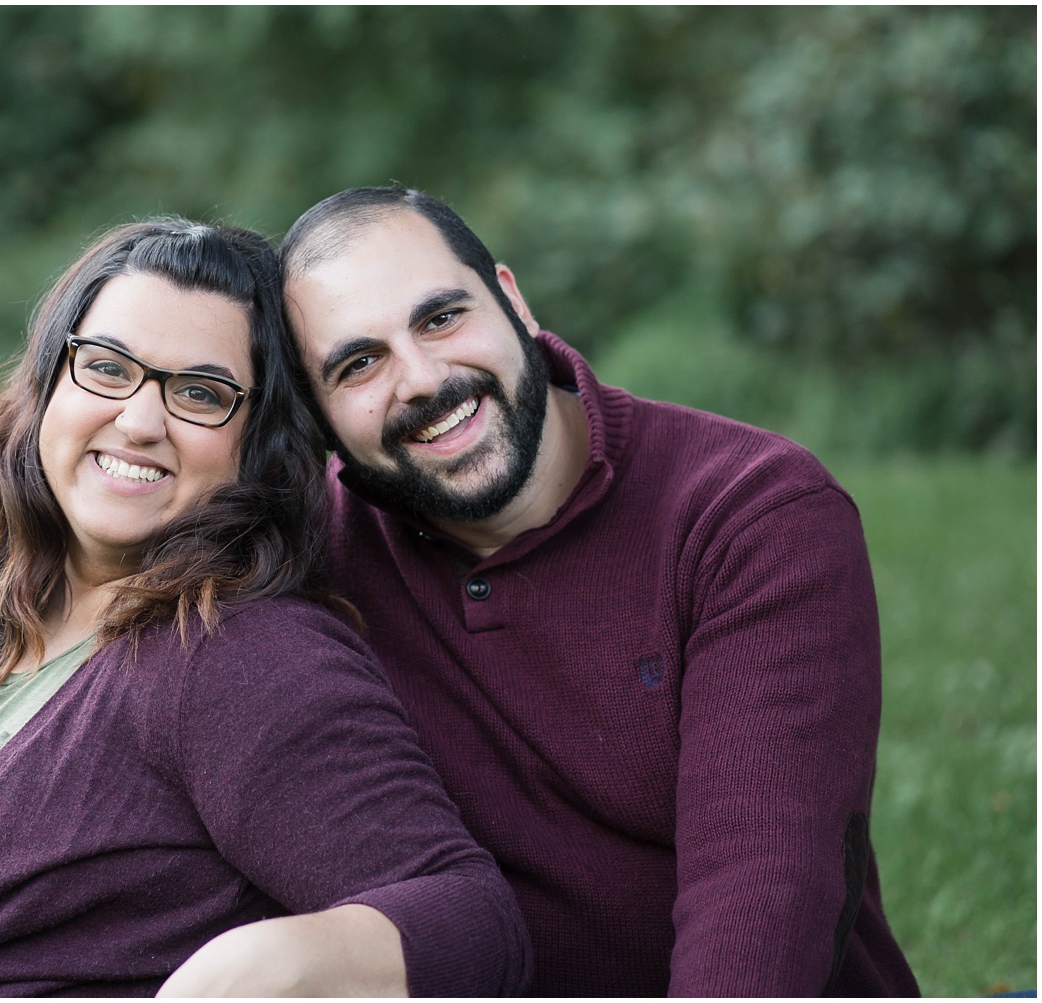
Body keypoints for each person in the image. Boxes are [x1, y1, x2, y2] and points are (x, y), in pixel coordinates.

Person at [0, 219, 532, 998]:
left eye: (200, 394)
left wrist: (265, 963)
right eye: (107, 367)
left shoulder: (242, 657)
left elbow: (471, 922)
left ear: (257, 444)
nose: (138, 420)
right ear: (51, 378)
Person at [261, 186, 922, 996]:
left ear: (513, 299)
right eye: (358, 363)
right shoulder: (309, 567)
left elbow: (762, 899)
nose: (424, 378)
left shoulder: (751, 515)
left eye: (441, 318)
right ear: (319, 416)